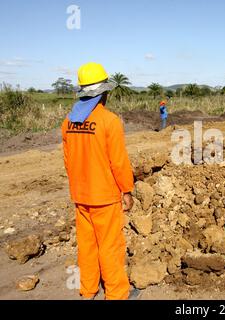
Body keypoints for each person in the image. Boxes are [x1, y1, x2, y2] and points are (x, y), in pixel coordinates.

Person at [61, 62, 138, 300]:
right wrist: (126, 190)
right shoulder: (109, 120)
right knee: (110, 246)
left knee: (87, 246)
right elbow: (118, 162)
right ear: (103, 92)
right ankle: (116, 294)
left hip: (80, 196)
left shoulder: (68, 122)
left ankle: (88, 291)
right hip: (104, 197)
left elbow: (68, 161)